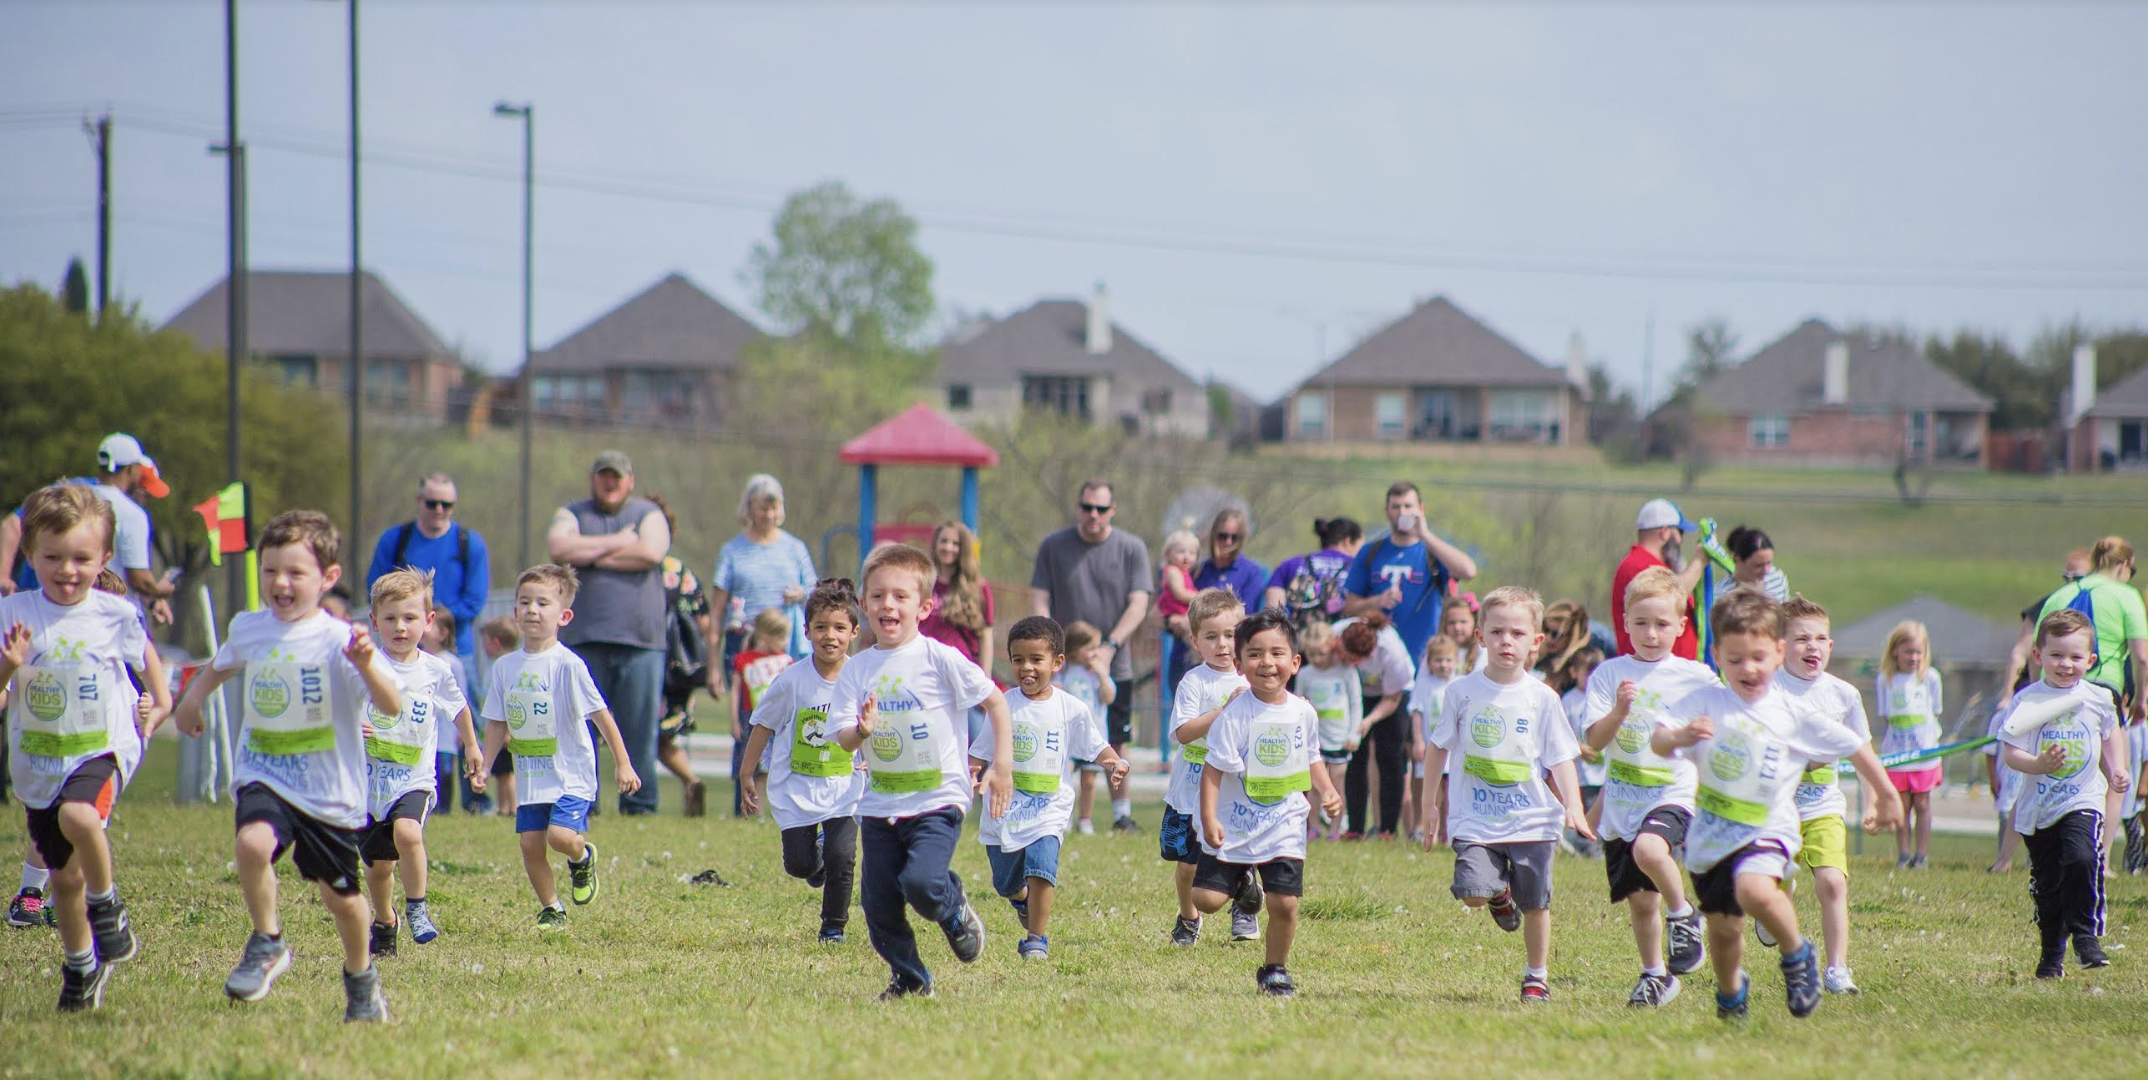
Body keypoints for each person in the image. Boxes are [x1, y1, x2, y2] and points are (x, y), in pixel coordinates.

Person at [168, 510, 401, 1021]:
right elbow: (222, 663)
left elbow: (391, 706)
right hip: (265, 774)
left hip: (327, 793)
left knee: (341, 900)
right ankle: (267, 939)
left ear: (328, 578)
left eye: (295, 572)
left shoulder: (341, 640)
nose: (281, 583)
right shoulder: (250, 627)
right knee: (252, 843)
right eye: (270, 570)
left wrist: (365, 665)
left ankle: (362, 980)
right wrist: (191, 700)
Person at [1652, 590, 1897, 1021]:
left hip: (1769, 829)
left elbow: (1855, 745)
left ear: (1778, 652)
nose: (1748, 668)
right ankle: (1731, 991)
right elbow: (1659, 737)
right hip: (1711, 839)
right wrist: (1678, 738)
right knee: (1725, 932)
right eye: (1735, 659)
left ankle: (1797, 954)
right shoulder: (1705, 703)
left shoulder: (1789, 712)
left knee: (1754, 888)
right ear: (1717, 655)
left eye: (1759, 657)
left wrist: (1887, 793)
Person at [0, 484, 170, 1011]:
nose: (68, 569)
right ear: (30, 555)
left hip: (101, 748)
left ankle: (108, 905)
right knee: (64, 878)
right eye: (53, 557)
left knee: (81, 816)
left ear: (103, 559)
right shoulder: (15, 614)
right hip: (41, 758)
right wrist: (12, 663)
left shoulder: (112, 614)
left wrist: (160, 703)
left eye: (81, 558)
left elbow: (147, 662)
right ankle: (79, 966)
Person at [828, 543, 1013, 1000]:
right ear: (865, 604)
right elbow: (842, 737)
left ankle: (953, 909)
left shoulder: (939, 657)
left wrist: (1002, 764)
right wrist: (860, 730)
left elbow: (995, 701)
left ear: (925, 606)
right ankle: (910, 980)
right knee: (878, 905)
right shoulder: (856, 670)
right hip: (879, 804)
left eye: (900, 596)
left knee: (921, 883)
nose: (887, 604)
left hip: (937, 799)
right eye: (876, 596)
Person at [1421, 586, 1591, 1005]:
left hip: (1532, 819)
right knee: (1472, 893)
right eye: (1496, 632)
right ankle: (1497, 892)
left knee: (1536, 903)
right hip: (1474, 818)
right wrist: (1430, 805)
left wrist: (1573, 804)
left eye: (1517, 633)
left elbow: (1562, 758)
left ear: (1536, 642)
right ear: (1480, 637)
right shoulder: (1460, 693)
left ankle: (1537, 976)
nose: (1505, 641)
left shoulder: (1543, 698)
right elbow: (1437, 747)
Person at [1580, 566, 1718, 1006]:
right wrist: (1619, 711)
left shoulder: (1697, 677)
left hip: (1672, 794)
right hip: (1623, 800)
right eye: (1641, 623)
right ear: (1625, 622)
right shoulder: (1608, 675)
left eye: (1662, 624)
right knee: (1640, 901)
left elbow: (1731, 717)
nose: (1651, 633)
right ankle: (1656, 975)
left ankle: (1684, 915)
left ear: (1681, 625)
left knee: (1650, 850)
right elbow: (1594, 743)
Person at [1189, 609, 1345, 997]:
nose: (1267, 662)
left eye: (1277, 653)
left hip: (1284, 823)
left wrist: (1326, 789)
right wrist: (1209, 817)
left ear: (1295, 662)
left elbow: (1311, 757)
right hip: (1235, 823)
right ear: (1240, 665)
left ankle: (1275, 969)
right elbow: (1212, 770)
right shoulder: (1233, 716)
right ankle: (1243, 880)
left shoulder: (1304, 711)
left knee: (1286, 904)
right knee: (1205, 900)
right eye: (1255, 654)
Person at [478, 564, 643, 930]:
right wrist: (485, 766)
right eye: (525, 602)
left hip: (570, 774)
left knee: (560, 838)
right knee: (530, 846)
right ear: (515, 612)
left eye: (543, 603)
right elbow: (497, 722)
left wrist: (623, 763)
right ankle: (553, 908)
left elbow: (602, 716)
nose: (533, 610)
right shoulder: (505, 668)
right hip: (531, 778)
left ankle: (581, 857)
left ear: (564, 615)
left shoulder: (569, 665)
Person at [967, 616, 1131, 960]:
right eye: (1018, 659)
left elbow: (1094, 743)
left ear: (1057, 662)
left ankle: (1036, 939)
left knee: (1042, 868)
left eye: (1036, 659)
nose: (1026, 667)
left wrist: (1114, 761)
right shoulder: (1003, 705)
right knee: (1005, 883)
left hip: (1048, 808)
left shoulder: (1070, 708)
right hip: (1005, 808)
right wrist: (972, 773)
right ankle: (1021, 898)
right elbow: (980, 752)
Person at [1995, 609, 2128, 979]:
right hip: (2039, 809)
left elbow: (2110, 732)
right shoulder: (2028, 701)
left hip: (2082, 799)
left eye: (2074, 657)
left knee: (2083, 857)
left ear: (2091, 660)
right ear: (2038, 656)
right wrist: (2037, 764)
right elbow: (2011, 752)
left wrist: (2117, 767)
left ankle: (2087, 938)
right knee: (2049, 886)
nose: (2065, 665)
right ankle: (2051, 955)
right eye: (2056, 655)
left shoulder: (2098, 698)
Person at [359, 570, 481, 954]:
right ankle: (385, 920)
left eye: (410, 618)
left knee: (409, 833)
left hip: (414, 779)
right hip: (367, 784)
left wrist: (472, 747)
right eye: (390, 618)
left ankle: (417, 908)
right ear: (374, 621)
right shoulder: (364, 666)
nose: (400, 627)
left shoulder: (435, 670)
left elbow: (458, 707)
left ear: (428, 622)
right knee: (379, 869)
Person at [739, 578, 866, 944]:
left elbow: (877, 724)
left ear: (854, 632)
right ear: (806, 631)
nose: (831, 636)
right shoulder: (791, 680)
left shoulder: (862, 678)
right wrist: (747, 773)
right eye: (821, 627)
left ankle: (833, 928)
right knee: (799, 864)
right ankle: (815, 862)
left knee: (843, 856)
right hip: (797, 787)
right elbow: (762, 725)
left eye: (840, 628)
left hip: (846, 787)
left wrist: (873, 759)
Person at [1773, 595, 1887, 995]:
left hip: (1823, 807)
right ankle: (1771, 908)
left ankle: (1837, 969)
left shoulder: (1844, 696)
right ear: (1780, 645)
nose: (1812, 647)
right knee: (1775, 882)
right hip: (1775, 810)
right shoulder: (1768, 689)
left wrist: (1874, 801)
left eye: (1820, 638)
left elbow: (1863, 754)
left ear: (1831, 646)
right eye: (1802, 638)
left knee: (1833, 884)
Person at [547, 451, 669, 815]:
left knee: (638, 731)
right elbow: (559, 548)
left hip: (641, 641)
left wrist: (589, 556)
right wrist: (618, 542)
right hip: (582, 639)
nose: (610, 482)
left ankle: (640, 807)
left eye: (617, 476)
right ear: (593, 479)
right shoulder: (572, 513)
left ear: (630, 481)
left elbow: (650, 552)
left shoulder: (649, 513)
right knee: (580, 730)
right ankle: (584, 803)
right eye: (604, 475)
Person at [1030, 479, 1151, 834]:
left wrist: (1111, 645)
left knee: (1116, 737)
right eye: (1087, 508)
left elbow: (1139, 603)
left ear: (1112, 510)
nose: (1093, 515)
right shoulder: (1053, 546)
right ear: (1078, 507)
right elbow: (1040, 597)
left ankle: (1120, 813)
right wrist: (1048, 647)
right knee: (1059, 739)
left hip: (1115, 662)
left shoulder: (1131, 548)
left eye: (1100, 509)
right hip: (1064, 665)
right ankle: (1061, 813)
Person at [0, 433, 177, 626]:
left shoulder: (68, 492)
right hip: (82, 616)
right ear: (133, 471)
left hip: (41, 608)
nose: (145, 499)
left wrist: (151, 601)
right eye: (144, 490)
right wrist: (159, 590)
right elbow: (138, 580)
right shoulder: (80, 500)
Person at [1164, 588, 1250, 945]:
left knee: (1241, 853)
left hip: (1233, 791)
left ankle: (1245, 907)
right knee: (1187, 868)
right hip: (1189, 791)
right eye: (1211, 637)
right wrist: (1222, 712)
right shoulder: (1194, 681)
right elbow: (1183, 733)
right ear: (1195, 641)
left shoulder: (1252, 680)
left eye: (1230, 635)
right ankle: (1188, 918)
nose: (1223, 645)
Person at [363, 473, 490, 680]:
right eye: (432, 503)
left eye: (446, 504)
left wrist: (433, 622)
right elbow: (375, 589)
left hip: (455, 650)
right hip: (401, 649)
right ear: (419, 501)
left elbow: (474, 601)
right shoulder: (395, 539)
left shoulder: (470, 543)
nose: (439, 510)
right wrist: (410, 620)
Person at [1342, 482, 1477, 667]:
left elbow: (1468, 571)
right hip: (1379, 662)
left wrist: (1425, 535)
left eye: (1408, 506)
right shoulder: (1370, 552)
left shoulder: (1432, 551)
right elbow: (1349, 607)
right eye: (1396, 507)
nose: (1402, 512)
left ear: (1421, 509)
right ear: (1387, 511)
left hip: (1427, 661)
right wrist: (1377, 601)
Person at [709, 474, 817, 677]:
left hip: (786, 644)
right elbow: (717, 611)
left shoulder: (795, 548)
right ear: (749, 507)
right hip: (745, 643)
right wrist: (713, 666)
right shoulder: (731, 551)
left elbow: (815, 593)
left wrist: (801, 594)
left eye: (774, 508)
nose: (769, 515)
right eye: (763, 508)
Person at [2035, 536, 2146, 722]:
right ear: (2124, 564)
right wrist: (2140, 699)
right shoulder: (2127, 596)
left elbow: (2035, 651)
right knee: (2115, 750)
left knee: (2056, 750)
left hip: (2053, 688)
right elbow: (2142, 657)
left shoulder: (2058, 595)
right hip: (2102, 688)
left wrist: (2035, 688)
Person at [649, 495, 711, 817]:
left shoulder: (638, 570)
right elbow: (704, 621)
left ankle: (642, 803)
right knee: (663, 737)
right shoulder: (682, 572)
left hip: (651, 665)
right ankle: (690, 781)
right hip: (680, 671)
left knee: (643, 734)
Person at [1333, 613, 1413, 837]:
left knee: (1390, 759)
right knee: (1354, 758)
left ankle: (1387, 828)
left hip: (1389, 697)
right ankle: (1355, 828)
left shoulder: (1392, 654)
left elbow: (1392, 699)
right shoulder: (1338, 630)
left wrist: (1368, 720)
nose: (1345, 660)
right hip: (1354, 695)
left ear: (1366, 657)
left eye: (1350, 659)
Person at [1875, 620, 1943, 869]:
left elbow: (1935, 710)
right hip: (1897, 755)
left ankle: (1921, 855)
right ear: (1895, 651)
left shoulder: (1930, 678)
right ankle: (1903, 854)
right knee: (1901, 805)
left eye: (1918, 652)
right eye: (1908, 652)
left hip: (1924, 754)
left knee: (1922, 804)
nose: (1914, 657)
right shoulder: (1886, 680)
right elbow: (1886, 715)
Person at [1610, 499, 1708, 660]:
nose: (1680, 541)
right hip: (1647, 671)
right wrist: (1700, 561)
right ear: (1664, 532)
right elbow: (1671, 595)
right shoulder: (1637, 564)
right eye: (1679, 533)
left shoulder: (1656, 564)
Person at [1999, 550, 2094, 707]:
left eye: (2077, 578)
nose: (2070, 583)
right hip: (2049, 691)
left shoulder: (2103, 605)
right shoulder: (2049, 603)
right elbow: (2021, 652)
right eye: (2066, 577)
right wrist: (2008, 695)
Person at [1294, 620, 1360, 841]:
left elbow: (1355, 704)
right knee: (1312, 786)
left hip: (1340, 740)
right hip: (1315, 741)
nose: (1317, 659)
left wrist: (1354, 733)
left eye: (1321, 653)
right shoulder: (1305, 674)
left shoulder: (1346, 672)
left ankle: (1335, 829)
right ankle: (1313, 826)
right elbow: (1298, 705)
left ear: (1332, 646)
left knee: (1336, 784)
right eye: (1311, 654)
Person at [731, 609, 794, 816]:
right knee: (751, 766)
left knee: (771, 768)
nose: (786, 642)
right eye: (782, 637)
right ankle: (748, 810)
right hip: (751, 719)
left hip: (778, 723)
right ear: (766, 636)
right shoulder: (744, 660)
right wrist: (734, 721)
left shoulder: (786, 662)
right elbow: (735, 691)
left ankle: (766, 812)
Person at [1058, 620, 1117, 836]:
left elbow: (1108, 697)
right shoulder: (1062, 672)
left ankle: (1085, 819)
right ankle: (1064, 817)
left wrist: (1102, 673)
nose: (1096, 652)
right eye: (1091, 648)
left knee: (1090, 781)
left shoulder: (1096, 674)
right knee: (1065, 779)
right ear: (1075, 649)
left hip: (1093, 736)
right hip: (1068, 738)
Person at [919, 520, 995, 681]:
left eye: (956, 543)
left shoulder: (978, 587)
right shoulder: (921, 583)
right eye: (944, 541)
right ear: (935, 544)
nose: (948, 547)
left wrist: (985, 678)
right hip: (925, 671)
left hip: (963, 674)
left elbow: (985, 634)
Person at [1264, 517, 1364, 630]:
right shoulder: (1359, 567)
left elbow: (1273, 613)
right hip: (1341, 642)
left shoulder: (1290, 565)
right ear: (1347, 541)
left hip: (1297, 641)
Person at [1551, 647, 1604, 858]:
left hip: (1604, 770)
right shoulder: (1568, 700)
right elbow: (1560, 731)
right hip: (1582, 771)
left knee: (1603, 812)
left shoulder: (1603, 699)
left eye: (1596, 674)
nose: (1591, 680)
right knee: (1588, 807)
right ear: (1574, 672)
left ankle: (1589, 844)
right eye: (1587, 674)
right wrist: (1578, 747)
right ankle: (1589, 848)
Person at [1407, 635, 1459, 844]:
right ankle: (1430, 832)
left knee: (1452, 792)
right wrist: (1418, 740)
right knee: (1432, 790)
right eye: (1438, 660)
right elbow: (1416, 712)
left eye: (1448, 660)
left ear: (1455, 661)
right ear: (1429, 663)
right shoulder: (1425, 683)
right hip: (1431, 746)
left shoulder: (1459, 683)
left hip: (1454, 748)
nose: (1443, 665)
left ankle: (1449, 832)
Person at [476, 617, 521, 814]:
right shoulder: (494, 667)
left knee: (508, 773)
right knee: (500, 772)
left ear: (495, 642)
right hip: (494, 729)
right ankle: (503, 807)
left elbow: (512, 701)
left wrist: (509, 732)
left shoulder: (507, 668)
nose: (483, 647)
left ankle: (513, 807)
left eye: (485, 642)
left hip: (506, 732)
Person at [1721, 525, 1789, 602]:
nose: (1766, 570)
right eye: (1759, 565)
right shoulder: (1721, 594)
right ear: (1738, 561)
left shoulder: (1777, 578)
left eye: (1769, 563)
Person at [1156, 530, 1199, 645]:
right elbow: (1180, 593)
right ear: (1168, 554)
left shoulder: (1184, 572)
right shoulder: (1173, 571)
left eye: (1192, 553)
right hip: (1175, 613)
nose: (1187, 557)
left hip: (1181, 614)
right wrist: (1200, 596)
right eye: (1181, 552)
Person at [1533, 600, 1593, 681]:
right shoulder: (1537, 660)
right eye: (1545, 629)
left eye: (1556, 634)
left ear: (1572, 637)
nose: (1548, 637)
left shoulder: (1575, 670)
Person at [1441, 598, 1484, 674]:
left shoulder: (1483, 652)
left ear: (1475, 623)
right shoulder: (1437, 651)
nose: (1457, 627)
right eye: (1451, 623)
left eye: (1463, 622)